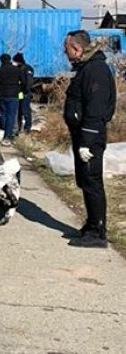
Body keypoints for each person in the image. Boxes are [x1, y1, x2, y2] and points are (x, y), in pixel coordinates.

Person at [63, 29, 117, 248]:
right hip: (83, 134)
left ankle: (97, 231)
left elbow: (95, 108)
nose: (65, 53)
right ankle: (91, 224)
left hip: (91, 137)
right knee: (84, 180)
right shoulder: (86, 68)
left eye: (66, 49)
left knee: (92, 180)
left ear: (77, 48)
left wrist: (87, 141)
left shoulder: (95, 71)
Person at [0, 53, 21, 145]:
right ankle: (8, 135)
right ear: (10, 60)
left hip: (2, 94)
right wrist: (19, 90)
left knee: (3, 114)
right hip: (13, 94)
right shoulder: (17, 70)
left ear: (1, 60)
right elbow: (24, 82)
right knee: (11, 115)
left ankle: (5, 131)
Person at [13, 52, 34, 134]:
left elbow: (29, 81)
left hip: (24, 93)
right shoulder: (19, 68)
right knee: (19, 110)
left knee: (25, 110)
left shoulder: (27, 68)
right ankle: (19, 127)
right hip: (19, 92)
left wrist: (26, 91)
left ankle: (27, 128)